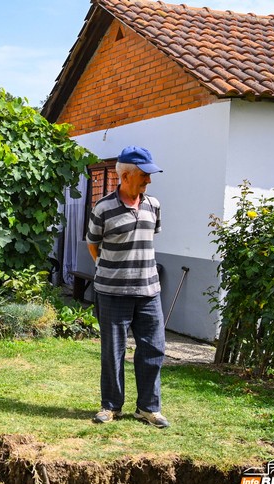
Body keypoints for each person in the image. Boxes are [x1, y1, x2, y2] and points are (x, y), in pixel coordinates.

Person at [86, 145, 169, 429]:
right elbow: (92, 244)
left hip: (149, 293)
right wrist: (110, 271)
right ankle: (110, 406)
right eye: (145, 175)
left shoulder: (153, 206)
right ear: (126, 175)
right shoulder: (103, 207)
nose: (149, 180)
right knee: (113, 351)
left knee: (154, 348)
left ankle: (148, 408)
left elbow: (149, 237)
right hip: (112, 293)